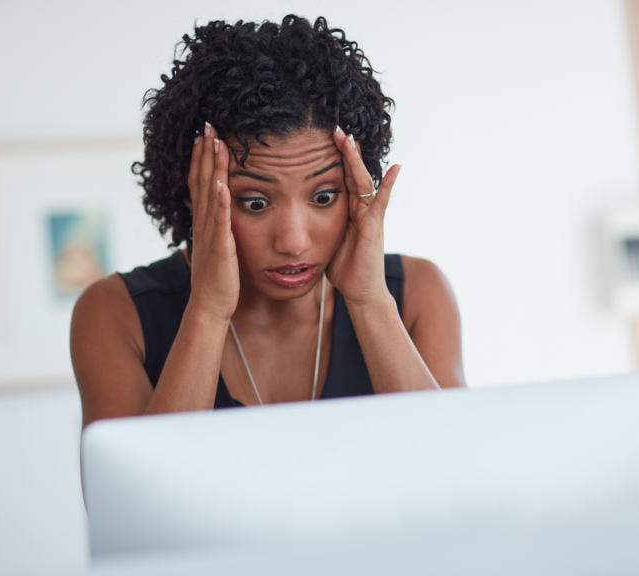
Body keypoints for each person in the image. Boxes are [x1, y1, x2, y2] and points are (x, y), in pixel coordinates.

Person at [71, 15, 464, 427]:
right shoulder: (116, 315)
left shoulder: (418, 295)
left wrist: (370, 303)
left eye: (324, 197)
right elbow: (134, 493)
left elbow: (460, 473)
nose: (294, 242)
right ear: (195, 191)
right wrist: (206, 311)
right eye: (256, 203)